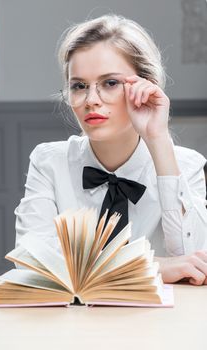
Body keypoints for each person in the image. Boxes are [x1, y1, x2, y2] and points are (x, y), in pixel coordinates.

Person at [15, 14, 207, 285]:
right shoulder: (49, 162)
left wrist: (159, 138)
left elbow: (195, 266)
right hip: (70, 323)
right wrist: (151, 265)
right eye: (79, 86)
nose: (91, 100)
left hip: (162, 324)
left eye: (110, 83)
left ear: (146, 85)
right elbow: (33, 262)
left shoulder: (186, 166)